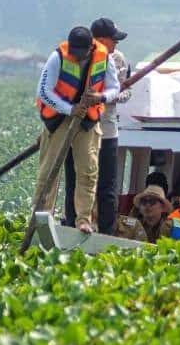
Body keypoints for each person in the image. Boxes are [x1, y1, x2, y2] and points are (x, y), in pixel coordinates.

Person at [32, 25, 120, 234]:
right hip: (59, 117)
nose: (78, 58)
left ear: (90, 48)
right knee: (49, 170)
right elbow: (44, 92)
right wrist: (70, 109)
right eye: (75, 54)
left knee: (88, 170)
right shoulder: (57, 58)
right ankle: (41, 216)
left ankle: (83, 220)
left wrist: (100, 97)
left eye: (81, 55)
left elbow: (114, 88)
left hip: (87, 120)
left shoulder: (104, 58)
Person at [63, 18, 130, 234]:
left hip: (107, 130)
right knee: (76, 180)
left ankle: (107, 232)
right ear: (100, 40)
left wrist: (101, 97)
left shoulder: (119, 60)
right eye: (113, 40)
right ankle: (74, 224)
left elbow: (122, 92)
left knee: (106, 187)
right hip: (78, 129)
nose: (116, 45)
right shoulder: (74, 57)